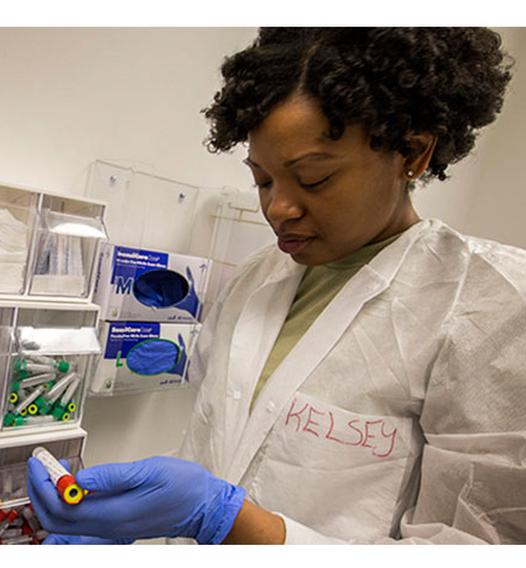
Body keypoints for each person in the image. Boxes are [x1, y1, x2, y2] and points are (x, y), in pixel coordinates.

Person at [27, 27, 526, 544]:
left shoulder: (492, 307)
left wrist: (228, 522)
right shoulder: (256, 280)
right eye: (262, 179)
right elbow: (222, 456)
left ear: (414, 153)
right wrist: (138, 531)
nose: (278, 209)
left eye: (313, 178)